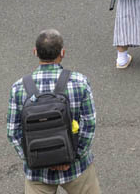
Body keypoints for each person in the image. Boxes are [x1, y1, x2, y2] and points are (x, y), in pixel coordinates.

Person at [6, 29, 100, 194]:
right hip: (76, 169)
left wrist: (32, 158)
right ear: (62, 53)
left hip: (37, 172)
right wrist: (74, 156)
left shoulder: (19, 87)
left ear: (35, 52)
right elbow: (89, 124)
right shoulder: (79, 82)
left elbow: (13, 132)